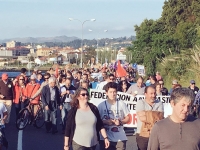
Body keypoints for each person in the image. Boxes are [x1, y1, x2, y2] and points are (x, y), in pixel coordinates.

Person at [98, 82, 130, 150]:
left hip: (120, 137)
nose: (113, 94)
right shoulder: (101, 105)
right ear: (106, 93)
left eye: (114, 92)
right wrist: (106, 122)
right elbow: (97, 121)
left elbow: (128, 118)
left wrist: (121, 122)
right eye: (110, 92)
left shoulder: (122, 104)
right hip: (105, 137)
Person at [136, 85, 164, 150]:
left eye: (154, 93)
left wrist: (147, 114)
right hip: (142, 133)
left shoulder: (159, 103)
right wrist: (155, 115)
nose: (153, 95)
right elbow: (142, 118)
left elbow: (160, 118)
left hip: (156, 134)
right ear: (145, 94)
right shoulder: (140, 102)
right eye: (151, 93)